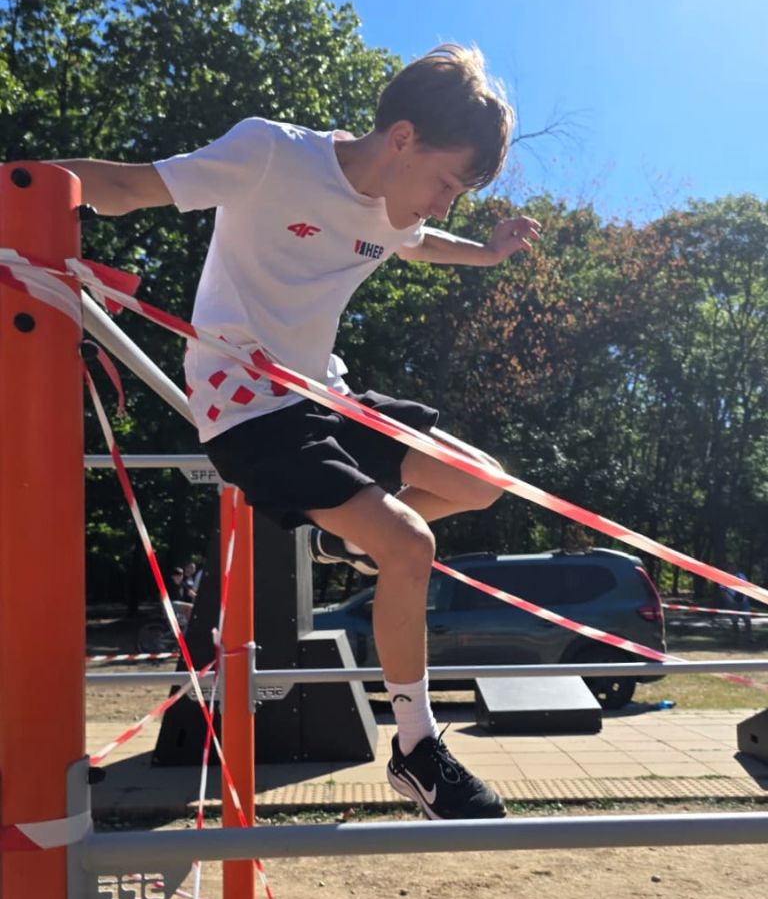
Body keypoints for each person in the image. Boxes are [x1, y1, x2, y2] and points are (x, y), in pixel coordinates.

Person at [51, 44, 540, 819]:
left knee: (482, 480)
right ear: (402, 137)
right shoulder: (270, 154)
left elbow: (424, 243)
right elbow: (128, 185)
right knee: (411, 545)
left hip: (324, 394)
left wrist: (485, 251)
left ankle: (338, 539)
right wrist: (24, 188)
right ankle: (418, 750)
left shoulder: (395, 210)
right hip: (247, 408)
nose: (445, 203)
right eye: (448, 182)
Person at [720, 566, 752, 643]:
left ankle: (749, 637)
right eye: (730, 568)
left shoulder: (741, 576)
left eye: (734, 568)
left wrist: (743, 599)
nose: (732, 569)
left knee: (747, 619)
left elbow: (746, 587)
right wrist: (730, 602)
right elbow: (723, 592)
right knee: (734, 621)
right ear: (727, 569)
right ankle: (735, 638)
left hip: (744, 601)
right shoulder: (723, 577)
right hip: (732, 602)